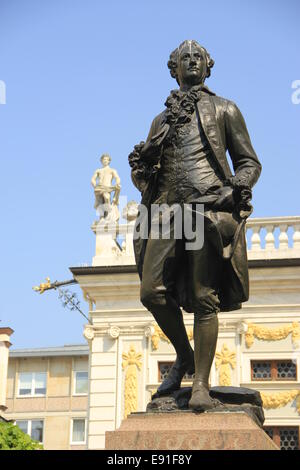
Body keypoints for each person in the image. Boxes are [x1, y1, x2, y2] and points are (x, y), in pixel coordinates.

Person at [128, 40, 261, 411]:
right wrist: (142, 171)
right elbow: (149, 174)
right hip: (168, 212)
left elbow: (249, 163)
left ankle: (201, 383)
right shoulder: (161, 120)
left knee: (205, 297)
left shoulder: (225, 109)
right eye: (183, 58)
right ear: (173, 68)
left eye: (197, 57)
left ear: (207, 66)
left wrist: (235, 189)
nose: (191, 61)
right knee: (151, 292)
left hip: (206, 210)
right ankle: (184, 357)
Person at [91, 154, 121, 220]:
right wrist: (94, 185)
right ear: (101, 161)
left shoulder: (112, 170)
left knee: (107, 197)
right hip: (99, 187)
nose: (105, 161)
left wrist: (117, 183)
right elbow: (93, 179)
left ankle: (107, 214)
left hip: (107, 188)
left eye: (106, 159)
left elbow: (117, 178)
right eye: (104, 159)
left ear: (109, 161)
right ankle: (101, 216)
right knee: (100, 201)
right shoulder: (98, 170)